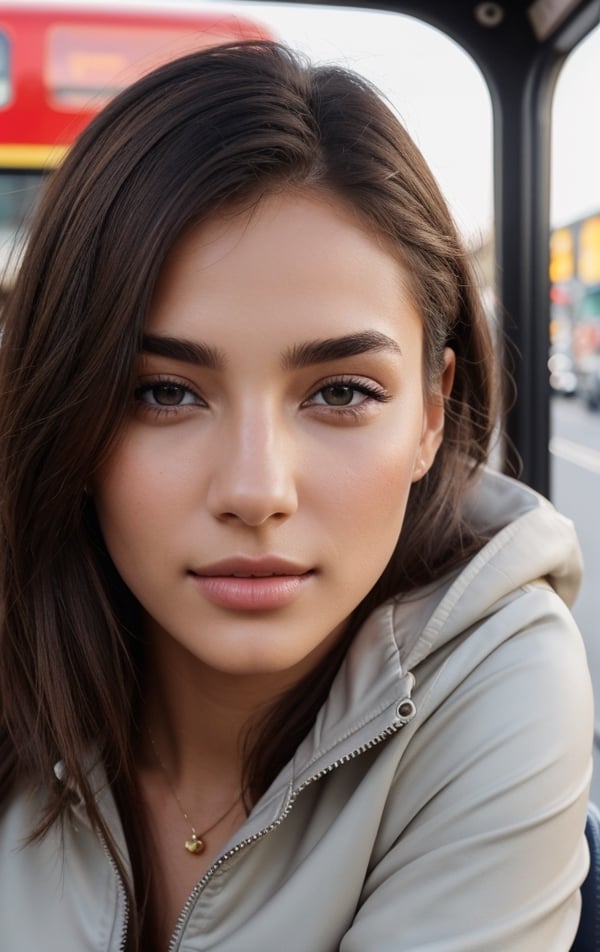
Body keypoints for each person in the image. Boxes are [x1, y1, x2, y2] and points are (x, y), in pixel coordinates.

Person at [0, 40, 593, 952]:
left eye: (342, 393)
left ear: (433, 413)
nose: (255, 490)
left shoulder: (497, 676)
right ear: (69, 405)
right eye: (164, 392)